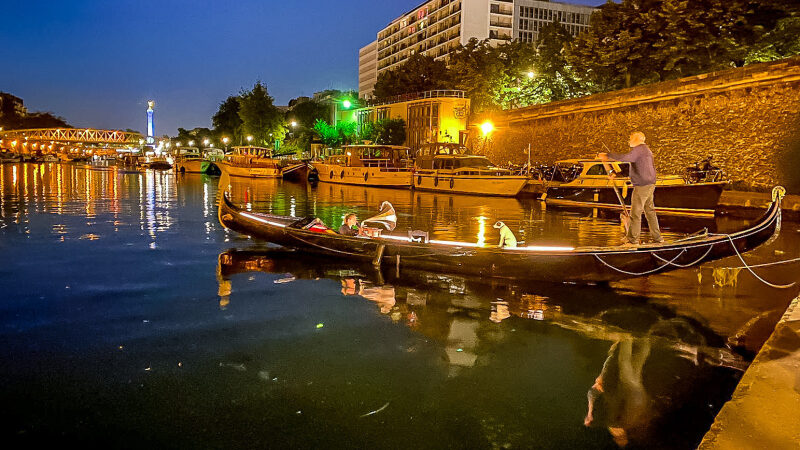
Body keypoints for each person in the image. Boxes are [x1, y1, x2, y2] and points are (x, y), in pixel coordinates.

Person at [598, 132, 663, 246]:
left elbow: (625, 158)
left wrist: (607, 155)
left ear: (637, 138)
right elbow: (632, 167)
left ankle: (633, 240)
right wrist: (616, 174)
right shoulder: (644, 151)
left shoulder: (640, 149)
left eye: (631, 137)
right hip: (649, 184)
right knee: (650, 211)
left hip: (642, 185)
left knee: (636, 212)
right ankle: (657, 238)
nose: (629, 140)